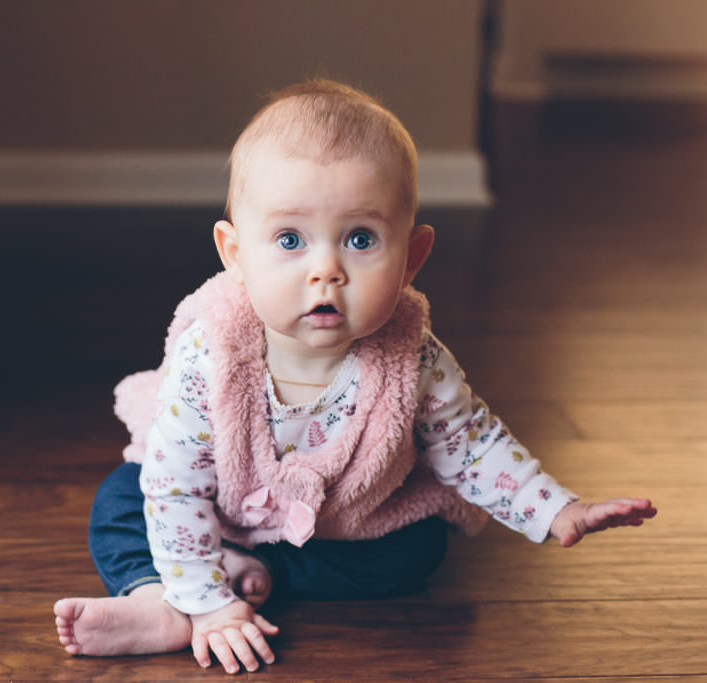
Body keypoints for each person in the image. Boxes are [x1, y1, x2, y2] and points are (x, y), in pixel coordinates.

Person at [53, 79, 657, 674]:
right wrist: (206, 607)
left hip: (339, 526)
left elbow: (471, 446)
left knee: (417, 551)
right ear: (235, 254)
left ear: (412, 258)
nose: (326, 270)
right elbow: (178, 487)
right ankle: (158, 598)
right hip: (215, 507)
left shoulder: (412, 357)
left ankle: (262, 574)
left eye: (360, 239)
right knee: (125, 498)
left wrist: (554, 509)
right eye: (290, 239)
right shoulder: (210, 354)